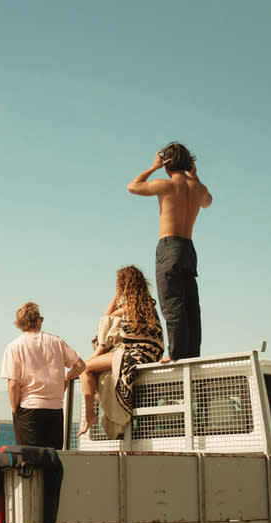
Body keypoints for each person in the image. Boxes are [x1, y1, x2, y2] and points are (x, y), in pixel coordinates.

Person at [127, 142, 212, 361]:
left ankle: (175, 354)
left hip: (169, 246)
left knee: (172, 303)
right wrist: (195, 177)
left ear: (167, 163)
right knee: (191, 306)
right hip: (188, 248)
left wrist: (153, 167)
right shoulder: (197, 188)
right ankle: (191, 355)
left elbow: (133, 186)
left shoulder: (165, 185)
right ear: (189, 163)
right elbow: (208, 202)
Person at [77, 266, 165, 437]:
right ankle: (91, 415)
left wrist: (117, 295)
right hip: (149, 355)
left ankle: (89, 416)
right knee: (94, 368)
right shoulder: (148, 307)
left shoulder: (127, 308)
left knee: (85, 368)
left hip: (133, 355)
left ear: (123, 286)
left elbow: (106, 320)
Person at [0, 302, 86, 450]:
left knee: (29, 462)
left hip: (29, 407)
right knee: (53, 459)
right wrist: (66, 377)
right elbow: (80, 366)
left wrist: (15, 410)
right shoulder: (56, 341)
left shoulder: (14, 346)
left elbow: (13, 383)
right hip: (55, 409)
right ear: (37, 320)